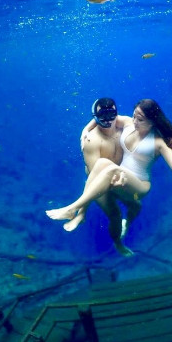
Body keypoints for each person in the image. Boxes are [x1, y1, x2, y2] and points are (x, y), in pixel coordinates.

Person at [46, 98, 172, 256]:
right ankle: (85, 214)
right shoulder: (129, 123)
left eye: (140, 119)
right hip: (121, 177)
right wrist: (85, 129)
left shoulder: (159, 142)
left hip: (140, 185)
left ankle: (73, 208)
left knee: (111, 170)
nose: (135, 121)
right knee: (101, 164)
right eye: (134, 116)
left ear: (153, 121)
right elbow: (103, 116)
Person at [63, 98, 140, 256]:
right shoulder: (91, 140)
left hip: (119, 177)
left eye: (111, 114)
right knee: (115, 215)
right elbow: (95, 176)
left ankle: (126, 225)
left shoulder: (124, 124)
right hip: (99, 180)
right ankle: (118, 243)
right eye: (102, 116)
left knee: (136, 206)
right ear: (95, 116)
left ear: (116, 113)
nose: (108, 120)